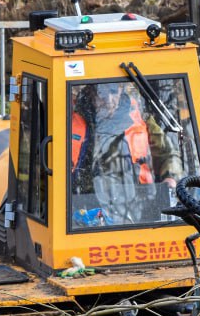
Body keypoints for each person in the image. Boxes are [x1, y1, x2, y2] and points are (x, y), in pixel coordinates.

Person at [70, 81, 182, 225]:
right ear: (91, 94)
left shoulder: (141, 119)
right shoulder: (71, 124)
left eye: (113, 91)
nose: (108, 99)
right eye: (101, 93)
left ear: (120, 90)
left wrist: (171, 177)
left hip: (141, 212)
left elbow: (168, 154)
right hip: (89, 217)